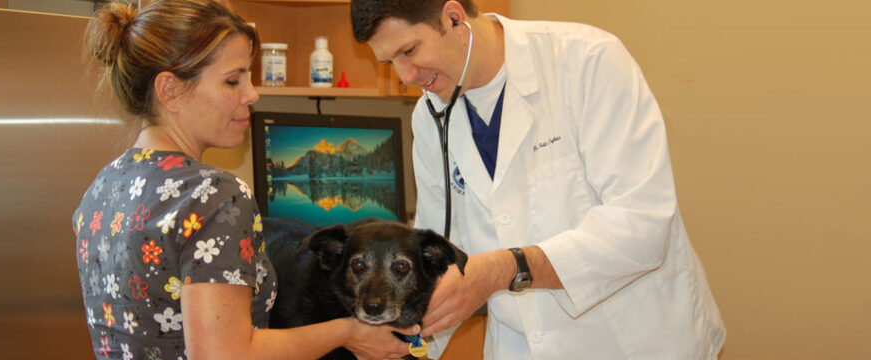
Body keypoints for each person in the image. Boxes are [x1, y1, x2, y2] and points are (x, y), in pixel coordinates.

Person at [350, 1, 726, 359]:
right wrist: (406, 342)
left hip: (633, 340)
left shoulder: (587, 61)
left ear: (453, 18)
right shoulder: (430, 116)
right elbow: (438, 253)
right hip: (521, 347)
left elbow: (643, 224)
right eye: (390, 62)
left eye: (409, 51)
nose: (405, 76)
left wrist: (506, 268)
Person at [73, 1, 419, 359]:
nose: (252, 94)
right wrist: (348, 332)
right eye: (232, 80)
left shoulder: (102, 188)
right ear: (170, 90)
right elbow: (223, 354)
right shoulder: (214, 196)